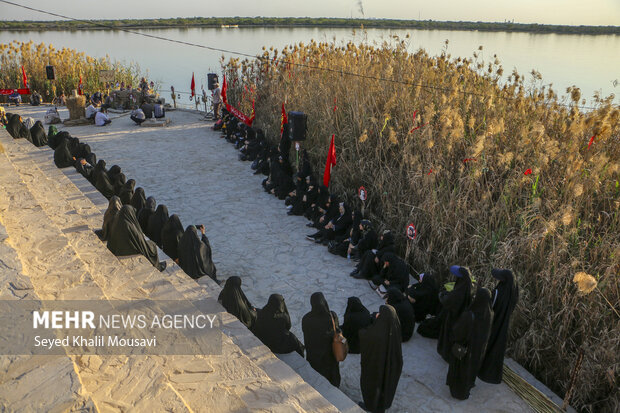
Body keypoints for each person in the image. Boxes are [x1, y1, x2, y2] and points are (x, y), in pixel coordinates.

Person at [446, 287, 492, 400]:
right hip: (477, 351)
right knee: (470, 371)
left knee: (460, 370)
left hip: (464, 350)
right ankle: (466, 389)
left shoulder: (469, 315)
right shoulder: (489, 313)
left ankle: (457, 392)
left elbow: (458, 331)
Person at [478, 268, 519, 384]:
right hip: (503, 325)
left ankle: (482, 367)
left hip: (493, 323)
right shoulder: (512, 293)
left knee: (488, 343)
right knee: (497, 346)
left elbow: (490, 306)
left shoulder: (498, 292)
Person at [359, 305, 403, 413]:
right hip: (390, 366)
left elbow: (364, 336)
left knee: (373, 386)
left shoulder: (377, 332)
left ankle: (370, 406)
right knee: (385, 386)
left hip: (376, 365)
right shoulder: (395, 326)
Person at [106, 205, 165, 271]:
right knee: (152, 245)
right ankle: (157, 265)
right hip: (126, 250)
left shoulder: (117, 222)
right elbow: (140, 241)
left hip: (115, 248)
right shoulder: (129, 226)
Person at [302, 292, 341, 387]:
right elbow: (336, 330)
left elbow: (306, 333)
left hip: (314, 354)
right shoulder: (331, 316)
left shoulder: (306, 318)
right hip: (329, 354)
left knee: (317, 374)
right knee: (332, 373)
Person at [437, 266, 472, 362]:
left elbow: (448, 301)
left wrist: (442, 295)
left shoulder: (458, 292)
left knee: (449, 335)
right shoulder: (467, 286)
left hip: (453, 316)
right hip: (459, 317)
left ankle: (447, 354)